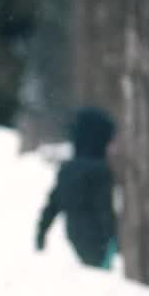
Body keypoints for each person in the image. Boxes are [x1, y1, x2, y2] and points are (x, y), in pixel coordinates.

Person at [36, 107, 119, 268]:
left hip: (73, 235)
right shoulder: (100, 170)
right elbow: (104, 208)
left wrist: (41, 234)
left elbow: (53, 204)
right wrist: (114, 239)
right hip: (97, 240)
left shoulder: (67, 169)